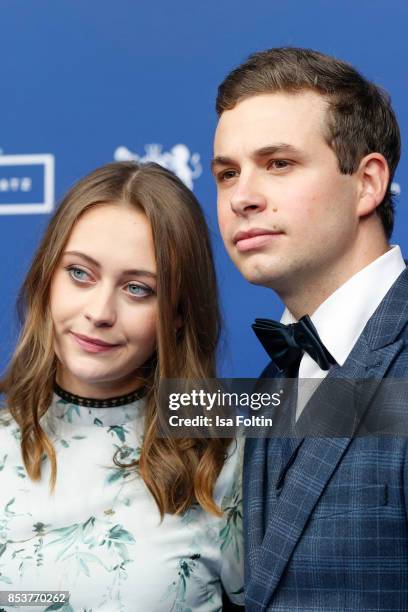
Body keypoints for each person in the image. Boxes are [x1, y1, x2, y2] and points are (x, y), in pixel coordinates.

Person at [212, 47, 408, 610]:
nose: (242, 197)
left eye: (279, 164)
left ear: (368, 184)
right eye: (228, 173)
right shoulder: (277, 375)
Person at [0, 161, 244, 611]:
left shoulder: (222, 456)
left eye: (137, 289)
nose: (99, 312)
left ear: (177, 313)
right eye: (79, 273)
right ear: (45, 279)